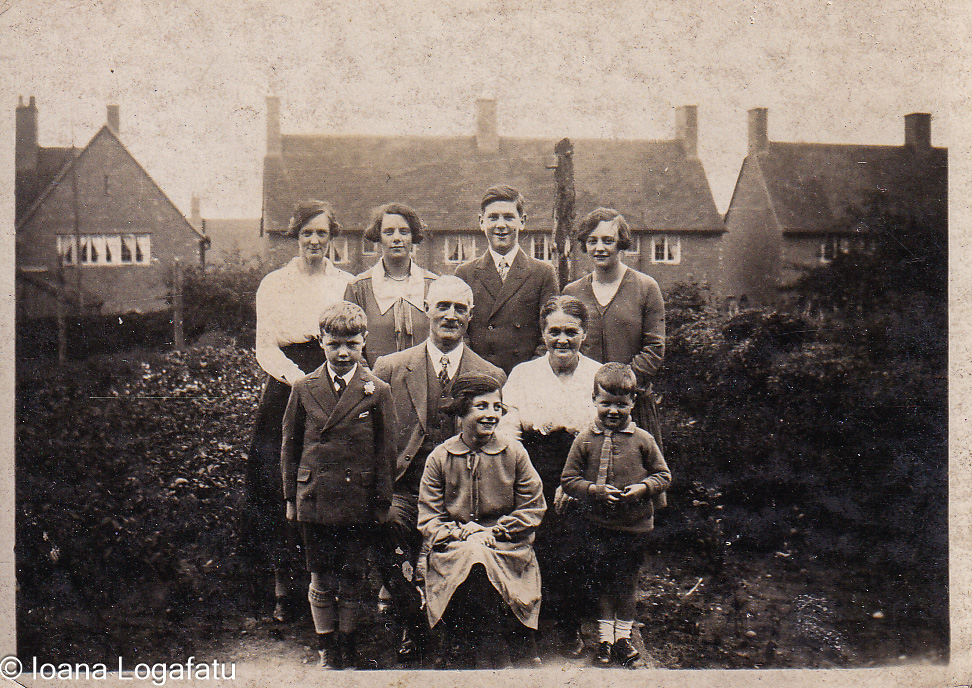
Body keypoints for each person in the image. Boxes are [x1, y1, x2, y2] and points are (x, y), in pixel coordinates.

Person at [372, 275, 506, 664]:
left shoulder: (490, 375)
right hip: (406, 488)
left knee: (466, 541)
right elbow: (371, 435)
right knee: (385, 521)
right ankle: (410, 619)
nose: (450, 315)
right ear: (426, 309)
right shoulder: (392, 367)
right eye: (442, 306)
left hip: (461, 495)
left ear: (471, 315)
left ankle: (454, 628)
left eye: (460, 308)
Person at [246, 199, 353, 623]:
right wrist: (297, 380)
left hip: (335, 381)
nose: (314, 240)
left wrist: (332, 380)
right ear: (295, 235)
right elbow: (265, 345)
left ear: (331, 238)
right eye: (307, 232)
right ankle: (281, 586)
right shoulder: (274, 283)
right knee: (280, 480)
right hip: (288, 385)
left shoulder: (345, 282)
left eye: (322, 233)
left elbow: (353, 337)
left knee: (332, 479)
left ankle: (330, 586)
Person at [280, 301, 396, 669]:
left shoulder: (376, 390)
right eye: (334, 344)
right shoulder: (303, 387)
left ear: (364, 342)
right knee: (320, 574)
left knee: (352, 574)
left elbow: (386, 451)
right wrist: (289, 497)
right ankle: (325, 646)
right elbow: (290, 446)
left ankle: (348, 642)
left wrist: (382, 501)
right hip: (315, 496)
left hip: (356, 499)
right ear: (321, 344)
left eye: (352, 343)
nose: (343, 352)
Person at [418, 373, 546, 668]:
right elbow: (429, 517)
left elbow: (533, 508)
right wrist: (461, 533)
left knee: (480, 556)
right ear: (462, 411)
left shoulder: (513, 453)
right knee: (472, 556)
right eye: (481, 406)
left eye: (497, 406)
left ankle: (487, 652)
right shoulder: (440, 457)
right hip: (454, 546)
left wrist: (497, 530)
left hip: (506, 546)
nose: (491, 414)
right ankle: (485, 652)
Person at [497, 294, 601, 654]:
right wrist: (524, 480)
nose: (562, 340)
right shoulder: (524, 374)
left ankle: (571, 623)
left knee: (574, 537)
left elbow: (604, 434)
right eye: (553, 331)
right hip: (531, 466)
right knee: (529, 536)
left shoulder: (596, 374)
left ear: (584, 333)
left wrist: (578, 484)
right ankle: (530, 623)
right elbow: (507, 426)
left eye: (570, 331)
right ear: (542, 333)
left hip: (582, 469)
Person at [560, 363, 671, 667]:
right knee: (601, 581)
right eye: (605, 403)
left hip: (634, 527)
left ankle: (623, 639)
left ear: (633, 403)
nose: (613, 411)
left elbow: (663, 475)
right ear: (593, 400)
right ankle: (604, 641)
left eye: (621, 404)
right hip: (598, 526)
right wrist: (594, 490)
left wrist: (643, 488)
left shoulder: (643, 440)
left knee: (626, 582)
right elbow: (568, 480)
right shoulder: (584, 439)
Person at [563, 208, 666, 453]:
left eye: (608, 240)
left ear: (621, 243)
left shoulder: (646, 287)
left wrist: (621, 389)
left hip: (633, 405)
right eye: (592, 241)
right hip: (585, 405)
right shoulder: (572, 292)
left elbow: (655, 348)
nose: (600, 248)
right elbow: (565, 344)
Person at [455, 184, 559, 374]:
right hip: (479, 378)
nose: (501, 225)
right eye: (493, 218)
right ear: (481, 222)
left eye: (509, 217)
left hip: (526, 379)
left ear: (522, 221)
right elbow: (461, 334)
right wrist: (477, 372)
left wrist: (528, 374)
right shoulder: (465, 273)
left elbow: (550, 331)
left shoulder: (543, 273)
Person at [344, 203, 438, 366]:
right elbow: (348, 342)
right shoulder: (358, 288)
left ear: (412, 237)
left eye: (404, 232)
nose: (396, 238)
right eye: (388, 232)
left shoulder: (433, 285)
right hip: (376, 384)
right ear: (379, 237)